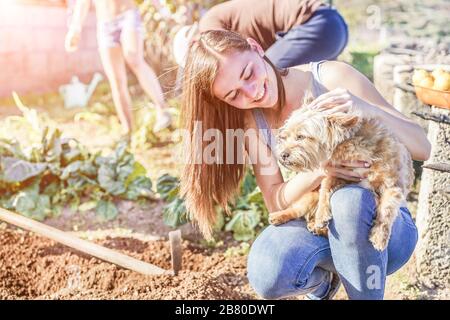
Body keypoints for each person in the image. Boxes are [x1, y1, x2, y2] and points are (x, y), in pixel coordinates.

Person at [179, 30, 431, 299]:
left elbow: (423, 147)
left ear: (255, 47)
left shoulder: (331, 79)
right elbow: (276, 202)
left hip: (385, 227)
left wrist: (363, 107)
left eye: (249, 74)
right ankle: (323, 285)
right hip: (321, 224)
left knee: (349, 201)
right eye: (234, 95)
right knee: (268, 269)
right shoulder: (254, 125)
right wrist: (321, 170)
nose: (251, 93)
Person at [65, 0, 172, 135]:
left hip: (127, 15)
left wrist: (162, 9)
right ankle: (128, 132)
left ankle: (161, 109)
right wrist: (75, 28)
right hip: (104, 25)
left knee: (134, 59)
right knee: (116, 80)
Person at [173, 0, 348, 69]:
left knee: (265, 74)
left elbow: (228, 66)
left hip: (316, 26)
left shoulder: (207, 29)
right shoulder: (215, 15)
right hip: (333, 24)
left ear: (193, 43)